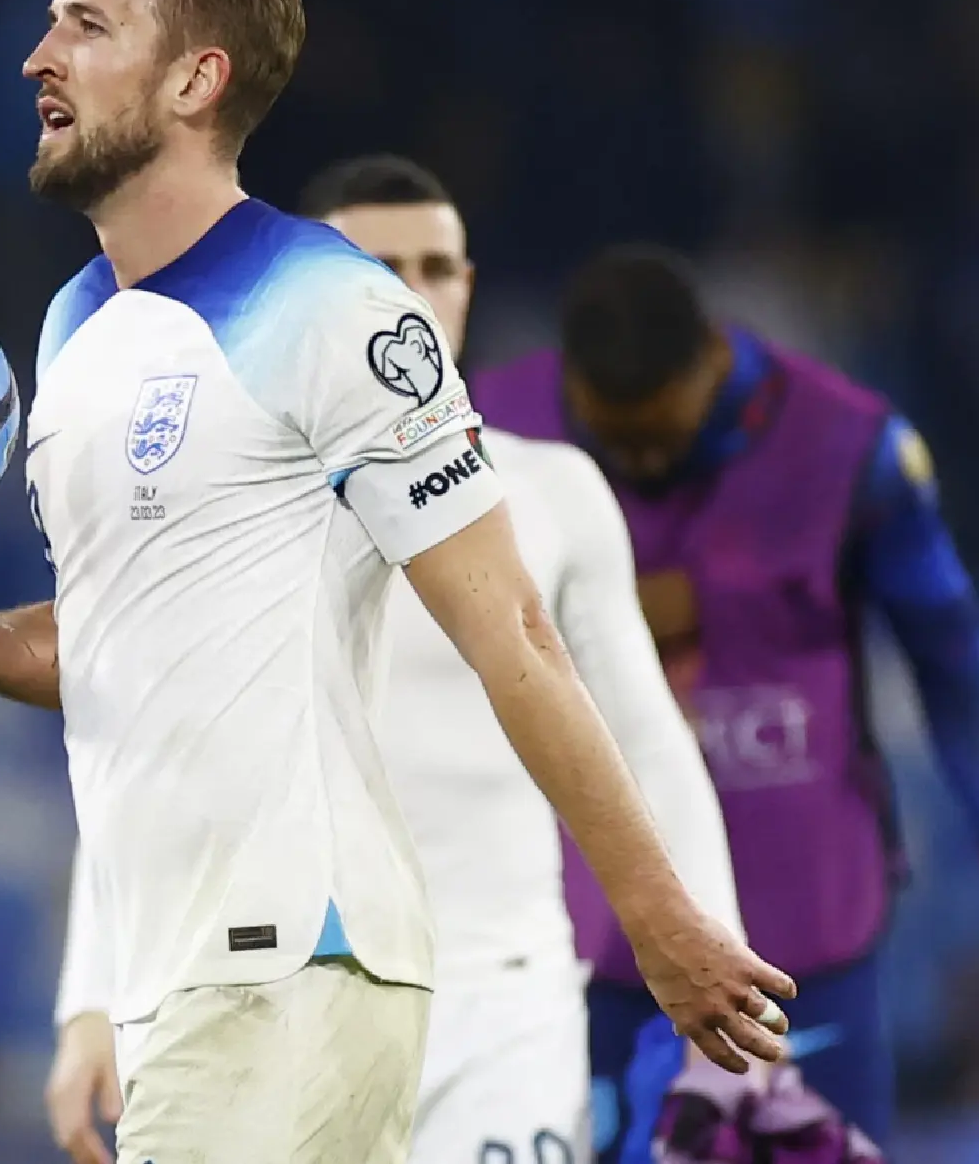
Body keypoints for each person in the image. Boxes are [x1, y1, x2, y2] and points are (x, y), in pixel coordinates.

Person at [0, 0, 793, 1164]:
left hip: (294, 954)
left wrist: (658, 917)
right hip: (183, 972)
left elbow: (510, 626)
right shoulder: (70, 331)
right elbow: (114, 647)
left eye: (86, 24)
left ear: (195, 78)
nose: (37, 56)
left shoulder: (333, 306)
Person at [39, 153, 750, 1164]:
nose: (412, 295)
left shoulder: (554, 494)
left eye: (439, 266)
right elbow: (142, 752)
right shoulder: (233, 500)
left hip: (502, 1005)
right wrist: (88, 1003)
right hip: (291, 988)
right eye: (380, 267)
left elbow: (649, 741)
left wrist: (708, 948)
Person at [468, 245, 979, 1151]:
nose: (638, 464)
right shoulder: (487, 432)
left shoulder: (848, 450)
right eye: (615, 441)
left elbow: (960, 675)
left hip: (803, 957)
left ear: (714, 359)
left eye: (661, 440)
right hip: (577, 955)